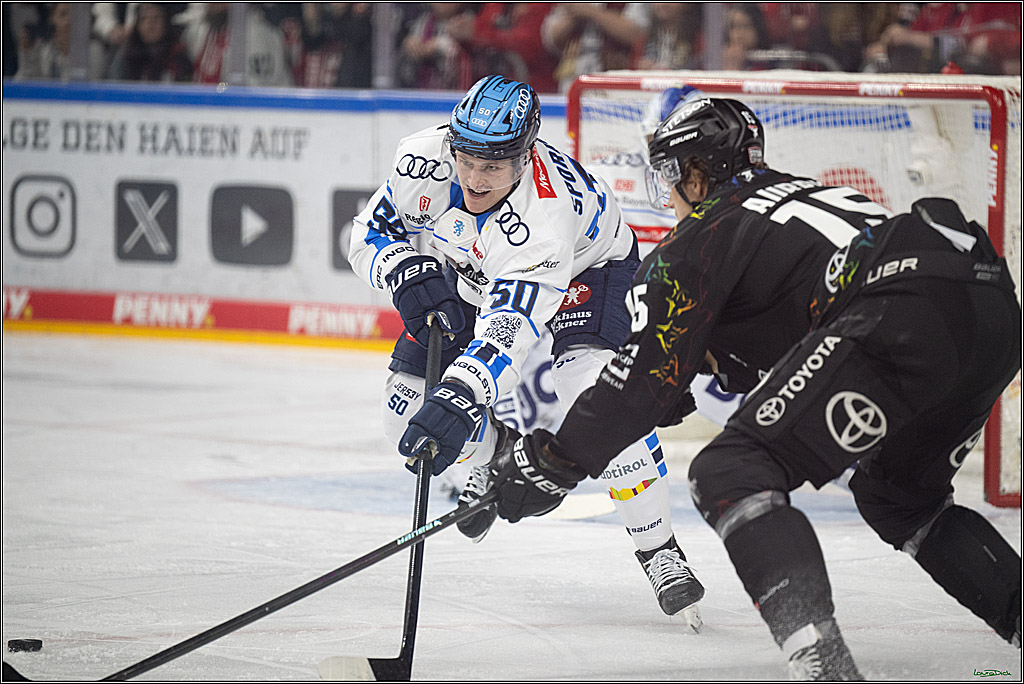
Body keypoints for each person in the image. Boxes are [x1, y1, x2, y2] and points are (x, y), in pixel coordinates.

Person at [487, 96, 1023, 679]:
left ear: (696, 174)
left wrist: (551, 461)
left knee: (729, 469)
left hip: (902, 307)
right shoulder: (790, 197)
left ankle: (823, 668)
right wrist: (679, 378)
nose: (668, 197)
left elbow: (633, 388)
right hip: (991, 307)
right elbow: (772, 322)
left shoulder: (703, 234)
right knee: (901, 499)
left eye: (671, 178)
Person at [347, 75, 706, 625]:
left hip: (593, 269)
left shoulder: (543, 219)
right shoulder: (421, 158)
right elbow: (367, 230)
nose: (473, 177)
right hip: (476, 272)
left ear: (525, 154)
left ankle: (658, 549)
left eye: (492, 166)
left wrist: (461, 396)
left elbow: (507, 332)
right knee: (402, 414)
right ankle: (493, 452)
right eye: (466, 159)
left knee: (595, 395)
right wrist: (403, 268)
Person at [107, 3, 192, 83]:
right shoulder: (126, 55)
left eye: (156, 19)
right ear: (137, 25)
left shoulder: (178, 54)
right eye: (143, 19)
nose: (150, 25)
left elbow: (186, 88)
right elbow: (114, 88)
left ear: (166, 23)